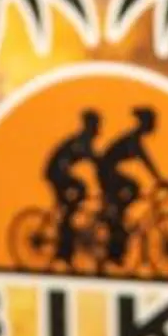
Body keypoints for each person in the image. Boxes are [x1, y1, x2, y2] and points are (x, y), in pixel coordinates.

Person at [97, 107, 168, 271]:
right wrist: (160, 180)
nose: (154, 126)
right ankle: (114, 220)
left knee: (132, 189)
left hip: (109, 170)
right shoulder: (133, 140)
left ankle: (116, 218)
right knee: (132, 188)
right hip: (106, 171)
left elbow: (147, 161)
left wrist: (160, 180)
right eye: (152, 123)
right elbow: (146, 162)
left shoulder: (135, 139)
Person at [42, 110, 104, 269]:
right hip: (55, 172)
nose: (99, 128)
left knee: (79, 192)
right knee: (75, 196)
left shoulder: (85, 141)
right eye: (96, 124)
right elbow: (92, 160)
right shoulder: (81, 141)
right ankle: (63, 250)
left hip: (61, 172)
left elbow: (96, 162)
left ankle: (67, 224)